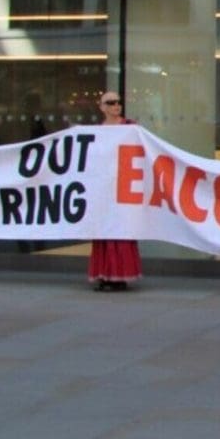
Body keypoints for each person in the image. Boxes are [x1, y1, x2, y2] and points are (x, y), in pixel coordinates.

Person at [88, 91, 142, 291]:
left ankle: (120, 276)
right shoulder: (97, 130)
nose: (116, 106)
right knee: (103, 231)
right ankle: (105, 274)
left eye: (118, 102)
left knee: (121, 231)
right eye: (110, 103)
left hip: (123, 185)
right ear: (102, 107)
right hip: (103, 187)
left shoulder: (130, 127)